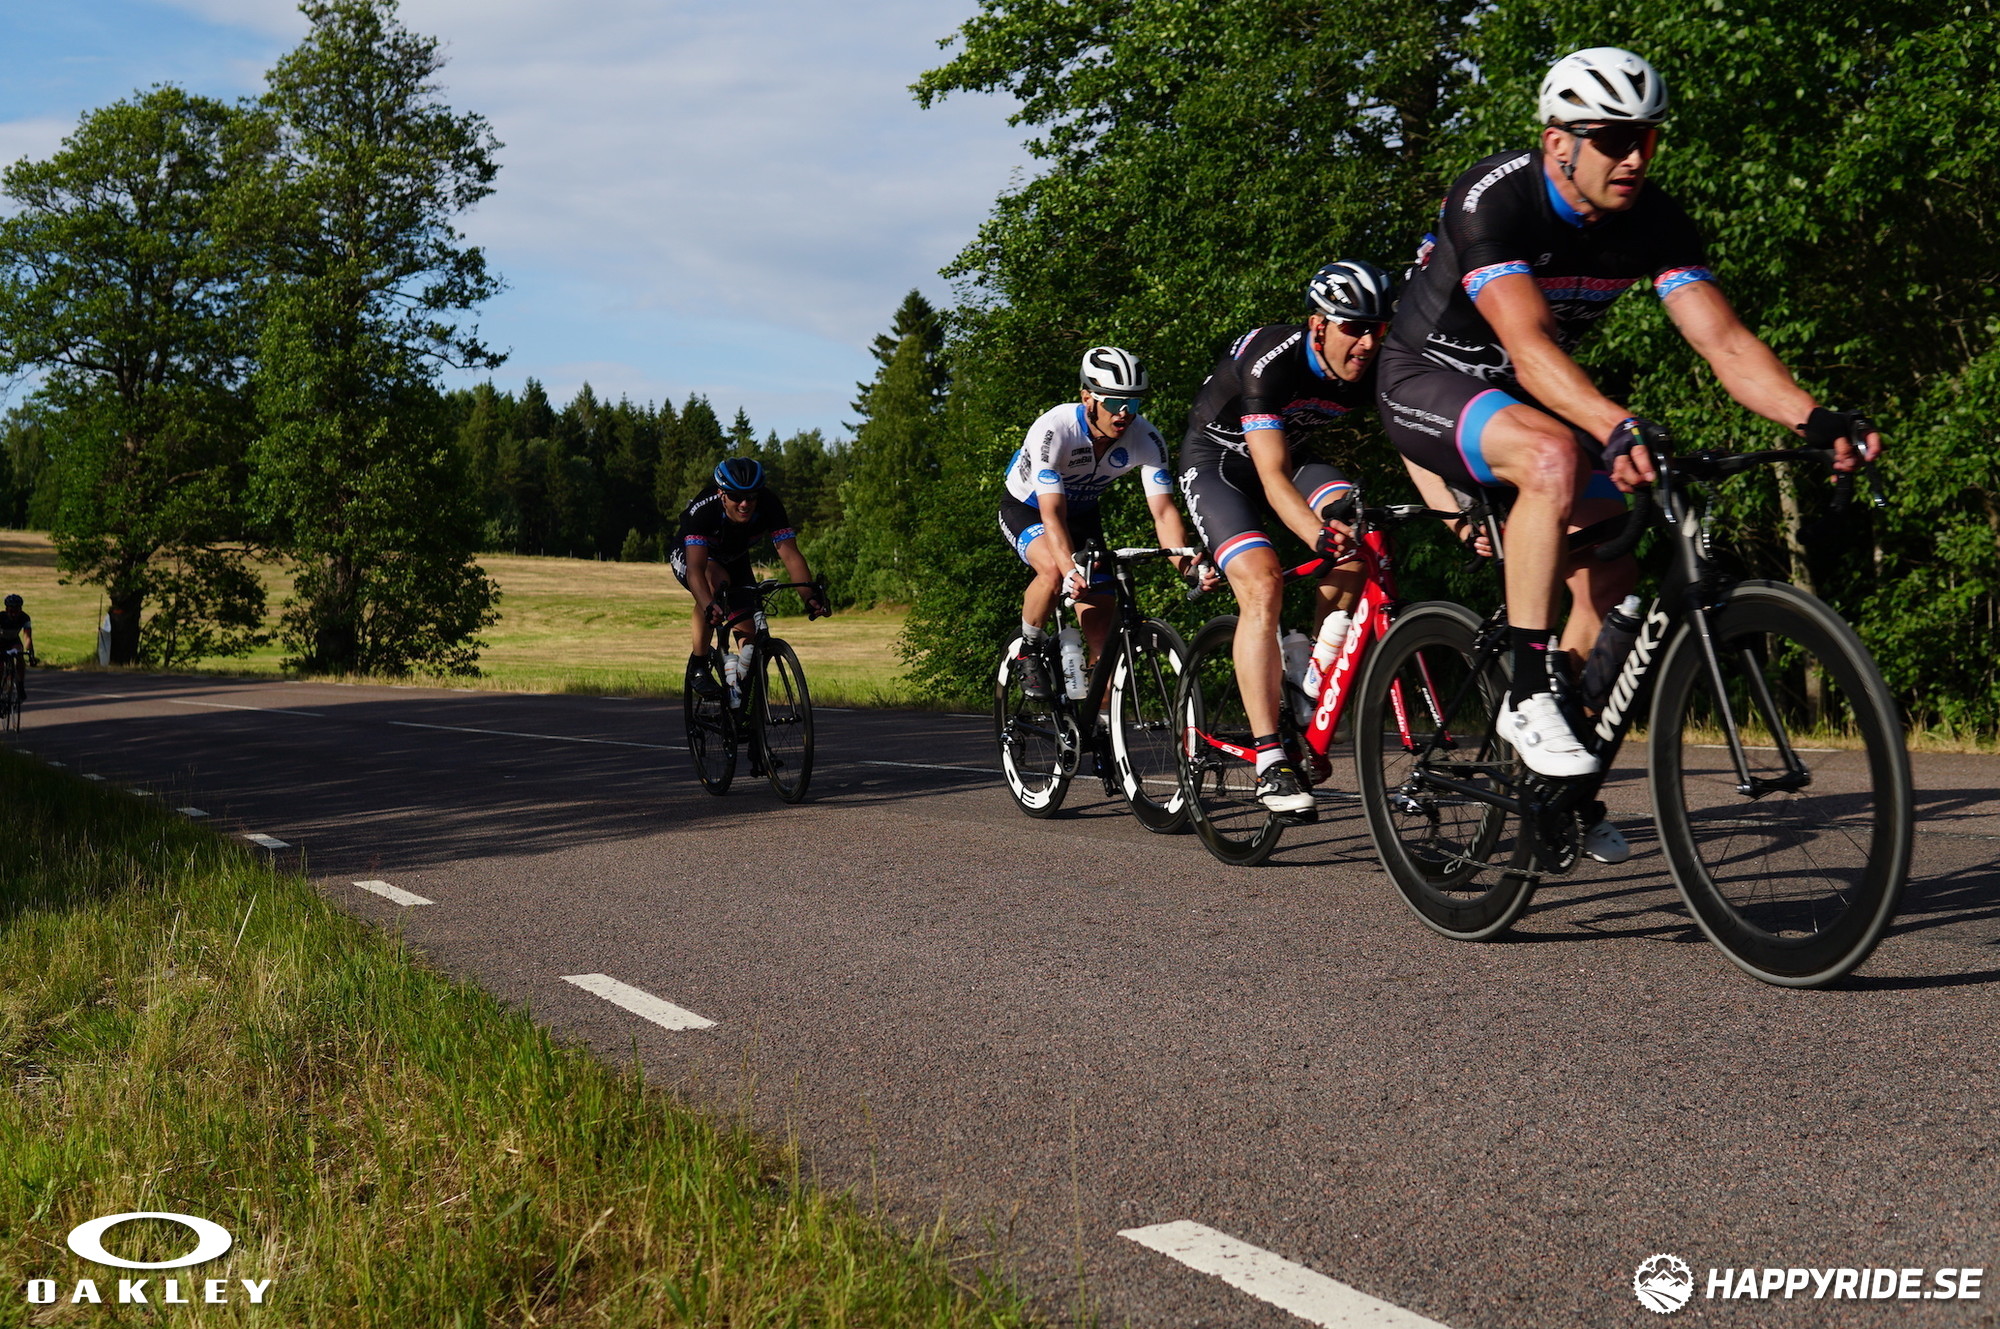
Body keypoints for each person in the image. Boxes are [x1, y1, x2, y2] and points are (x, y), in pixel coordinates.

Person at [1375, 46, 1881, 857]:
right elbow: (1527, 345)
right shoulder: (1495, 199)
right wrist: (1615, 423)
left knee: (1614, 573)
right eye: (1613, 139)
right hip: (1430, 378)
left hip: (1535, 393)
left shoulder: (1655, 221)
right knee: (1552, 456)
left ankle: (1557, 782)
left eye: (1646, 138)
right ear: (1557, 142)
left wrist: (1814, 419)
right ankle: (1529, 693)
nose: (1634, 158)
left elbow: (1724, 342)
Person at [1178, 259, 1395, 817]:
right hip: (1220, 465)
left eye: (1377, 328)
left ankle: (1312, 675)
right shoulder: (1271, 360)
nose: (1368, 343)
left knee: (1362, 535)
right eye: (1354, 328)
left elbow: (1418, 433)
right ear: (1318, 324)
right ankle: (1270, 759)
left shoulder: (1374, 363)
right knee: (1262, 582)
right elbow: (1271, 478)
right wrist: (1317, 536)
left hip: (1292, 458)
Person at [1001, 346, 1211, 699]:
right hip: (1029, 508)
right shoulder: (1055, 429)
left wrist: (1187, 566)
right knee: (1052, 570)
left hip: (1082, 516)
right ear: (1088, 398)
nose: (1125, 413)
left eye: (1134, 403)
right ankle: (1028, 649)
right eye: (1114, 402)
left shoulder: (1147, 438)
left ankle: (1101, 722)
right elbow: (1052, 514)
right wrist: (1069, 570)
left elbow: (1163, 513)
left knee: (1103, 638)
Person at [672, 458, 828, 698]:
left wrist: (809, 596)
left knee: (749, 638)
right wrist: (708, 604)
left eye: (751, 497)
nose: (745, 503)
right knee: (715, 584)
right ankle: (699, 663)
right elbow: (695, 569)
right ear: (722, 493)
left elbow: (790, 555)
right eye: (736, 497)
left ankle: (744, 701)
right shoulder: (704, 510)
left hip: (735, 558)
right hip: (695, 555)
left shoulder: (769, 504)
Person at [0, 594, 33, 701]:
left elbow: (27, 637)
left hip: (14, 640)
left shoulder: (25, 618)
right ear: (6, 609)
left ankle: (20, 685)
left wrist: (30, 654)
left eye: (17, 610)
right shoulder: (1, 617)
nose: (14, 614)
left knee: (20, 656)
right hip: (0, 642)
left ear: (21, 609)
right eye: (11, 611)